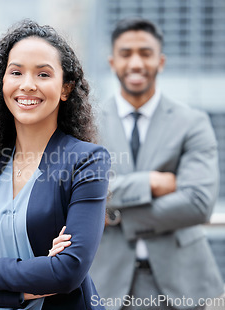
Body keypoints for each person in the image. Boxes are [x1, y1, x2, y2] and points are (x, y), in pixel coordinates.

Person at [0, 20, 111, 309]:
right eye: (16, 72)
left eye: (43, 74)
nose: (28, 85)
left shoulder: (86, 161)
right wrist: (31, 285)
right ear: (1, 83)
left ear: (65, 88)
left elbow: (67, 273)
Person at [89, 17, 224, 310]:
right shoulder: (87, 126)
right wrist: (151, 183)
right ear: (112, 62)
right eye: (126, 53)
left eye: (145, 53)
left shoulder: (193, 123)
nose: (136, 63)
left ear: (160, 61)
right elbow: (79, 189)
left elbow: (199, 202)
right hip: (105, 283)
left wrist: (116, 216)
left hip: (181, 283)